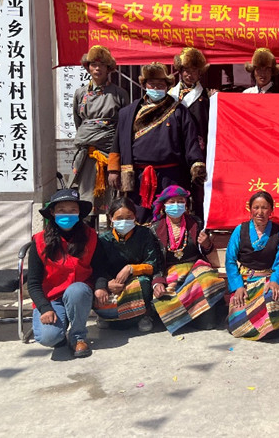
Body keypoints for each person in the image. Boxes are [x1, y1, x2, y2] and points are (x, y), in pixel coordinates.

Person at [107, 63, 205, 222]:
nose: (156, 88)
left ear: (167, 86)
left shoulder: (178, 111)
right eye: (152, 84)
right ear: (144, 85)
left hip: (171, 175)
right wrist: (113, 170)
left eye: (160, 85)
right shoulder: (128, 113)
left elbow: (190, 140)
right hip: (138, 176)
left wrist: (197, 165)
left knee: (170, 216)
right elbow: (118, 142)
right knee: (139, 216)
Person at [27, 189, 109, 358]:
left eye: (72, 210)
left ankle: (78, 337)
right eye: (62, 210)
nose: (67, 214)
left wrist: (101, 286)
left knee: (77, 290)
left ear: (79, 213)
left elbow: (100, 268)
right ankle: (60, 330)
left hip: (79, 294)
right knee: (49, 337)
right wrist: (44, 308)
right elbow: (33, 283)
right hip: (51, 298)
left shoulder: (91, 237)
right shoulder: (39, 241)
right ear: (52, 212)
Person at [150, 186, 225, 334]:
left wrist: (206, 244)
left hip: (195, 267)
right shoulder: (154, 228)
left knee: (208, 282)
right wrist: (157, 281)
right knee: (163, 298)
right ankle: (183, 318)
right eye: (172, 202)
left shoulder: (196, 223)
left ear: (186, 204)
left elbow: (206, 252)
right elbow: (154, 260)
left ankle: (199, 315)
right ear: (164, 206)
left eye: (180, 201)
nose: (176, 205)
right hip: (169, 271)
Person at [71, 46, 128, 216]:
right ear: (88, 67)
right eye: (94, 64)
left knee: (112, 197)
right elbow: (79, 122)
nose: (97, 68)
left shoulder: (119, 93)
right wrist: (90, 136)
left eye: (102, 65)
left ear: (108, 68)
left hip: (110, 152)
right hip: (87, 152)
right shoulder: (80, 94)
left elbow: (124, 126)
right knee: (86, 197)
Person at [226, 191, 279, 340]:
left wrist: (275, 281)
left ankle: (267, 331)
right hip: (245, 280)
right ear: (250, 209)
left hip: (268, 279)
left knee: (273, 301)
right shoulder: (240, 230)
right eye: (256, 207)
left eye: (264, 208)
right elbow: (230, 260)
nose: (260, 212)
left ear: (271, 210)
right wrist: (238, 286)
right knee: (237, 319)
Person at [93, 197, 160, 333]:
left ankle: (142, 315)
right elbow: (98, 267)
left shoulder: (144, 234)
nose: (124, 221)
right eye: (119, 218)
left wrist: (131, 268)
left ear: (135, 217)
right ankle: (107, 317)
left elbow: (152, 263)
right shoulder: (103, 240)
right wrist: (106, 284)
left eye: (129, 217)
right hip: (112, 283)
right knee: (96, 290)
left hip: (135, 279)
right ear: (111, 218)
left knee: (143, 283)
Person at [168, 47, 211, 155]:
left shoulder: (207, 95)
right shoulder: (171, 94)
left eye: (194, 71)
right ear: (181, 71)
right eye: (187, 70)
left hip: (198, 143)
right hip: (176, 143)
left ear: (199, 73)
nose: (190, 75)